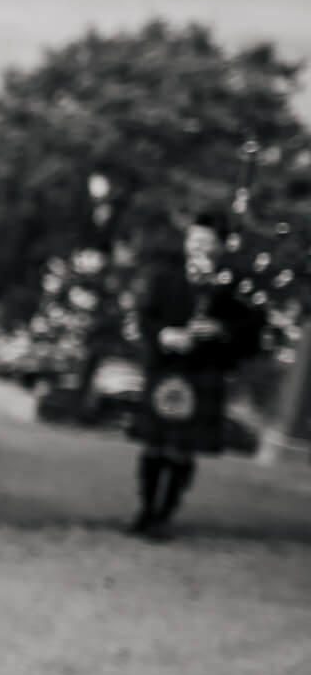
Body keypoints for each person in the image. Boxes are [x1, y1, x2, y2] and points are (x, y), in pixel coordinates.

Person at [125, 209, 264, 537]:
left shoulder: (234, 285)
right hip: (167, 366)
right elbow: (145, 318)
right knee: (154, 446)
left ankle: (165, 514)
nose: (198, 246)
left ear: (219, 246)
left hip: (204, 371)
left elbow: (253, 330)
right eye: (194, 239)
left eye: (206, 241)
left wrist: (221, 330)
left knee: (181, 449)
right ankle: (145, 510)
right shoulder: (165, 278)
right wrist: (163, 335)